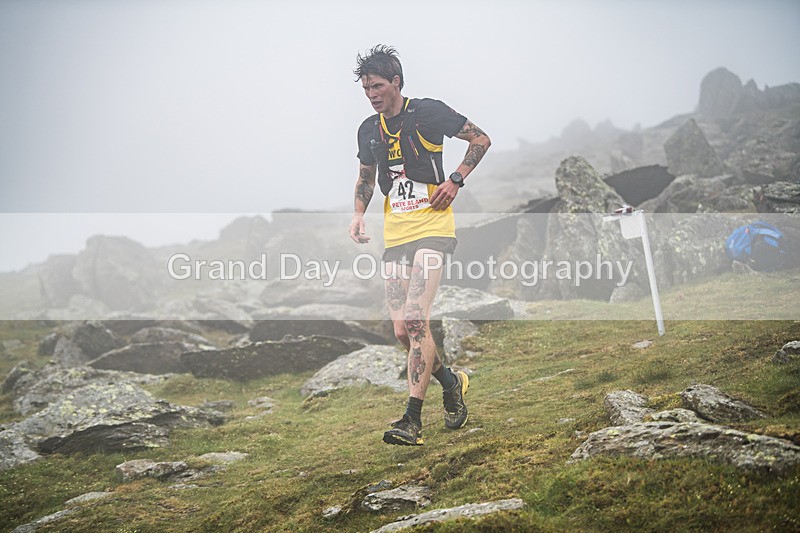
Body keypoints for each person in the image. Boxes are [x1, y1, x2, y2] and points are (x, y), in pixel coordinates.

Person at [348, 45, 491, 446]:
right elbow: (365, 177)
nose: (371, 94)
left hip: (433, 227)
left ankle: (411, 420)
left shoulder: (427, 112)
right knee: (402, 330)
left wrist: (456, 179)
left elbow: (480, 138)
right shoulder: (368, 129)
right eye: (365, 88)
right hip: (396, 235)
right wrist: (358, 215)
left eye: (377, 86)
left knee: (415, 319)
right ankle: (451, 382)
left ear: (396, 82)